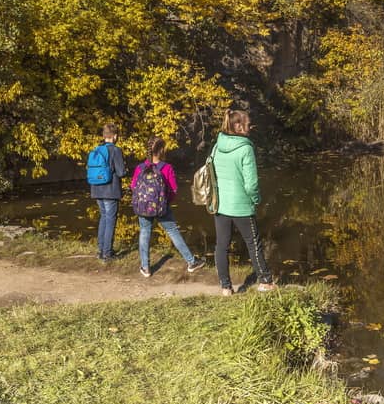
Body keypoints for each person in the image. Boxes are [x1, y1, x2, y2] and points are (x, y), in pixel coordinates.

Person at [211, 109, 274, 295]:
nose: (250, 127)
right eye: (247, 124)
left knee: (221, 246)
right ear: (237, 126)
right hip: (241, 206)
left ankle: (225, 287)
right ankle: (265, 282)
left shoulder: (217, 146)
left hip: (220, 204)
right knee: (253, 243)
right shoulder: (246, 148)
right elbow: (251, 183)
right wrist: (256, 199)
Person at [130, 137, 205, 277]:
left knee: (145, 232)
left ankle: (145, 268)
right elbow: (173, 190)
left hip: (143, 208)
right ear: (162, 150)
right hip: (161, 207)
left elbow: (133, 187)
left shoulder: (140, 168)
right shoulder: (166, 167)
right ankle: (191, 262)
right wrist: (165, 202)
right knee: (172, 231)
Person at [87, 123, 127, 261]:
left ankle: (101, 250)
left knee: (103, 218)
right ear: (115, 136)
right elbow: (121, 172)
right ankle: (107, 253)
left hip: (97, 189)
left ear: (104, 136)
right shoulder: (116, 150)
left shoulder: (97, 149)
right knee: (110, 220)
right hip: (110, 190)